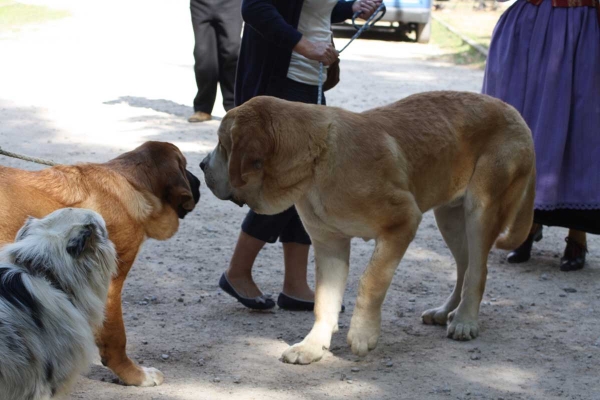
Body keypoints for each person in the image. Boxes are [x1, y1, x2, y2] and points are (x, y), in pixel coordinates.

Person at [218, 0, 383, 310]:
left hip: (309, 81)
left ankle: (295, 285)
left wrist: (350, 8)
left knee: (306, 183)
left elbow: (309, 7)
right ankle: (238, 271)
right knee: (289, 181)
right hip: (282, 84)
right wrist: (305, 46)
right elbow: (254, 8)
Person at [482, 0, 599, 271]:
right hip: (530, 24)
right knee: (524, 123)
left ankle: (577, 235)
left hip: (584, 23)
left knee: (582, 126)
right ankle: (526, 224)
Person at [188, 0, 243, 123]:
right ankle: (203, 108)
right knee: (202, 54)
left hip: (231, 4)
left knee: (231, 50)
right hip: (200, 4)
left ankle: (233, 107)